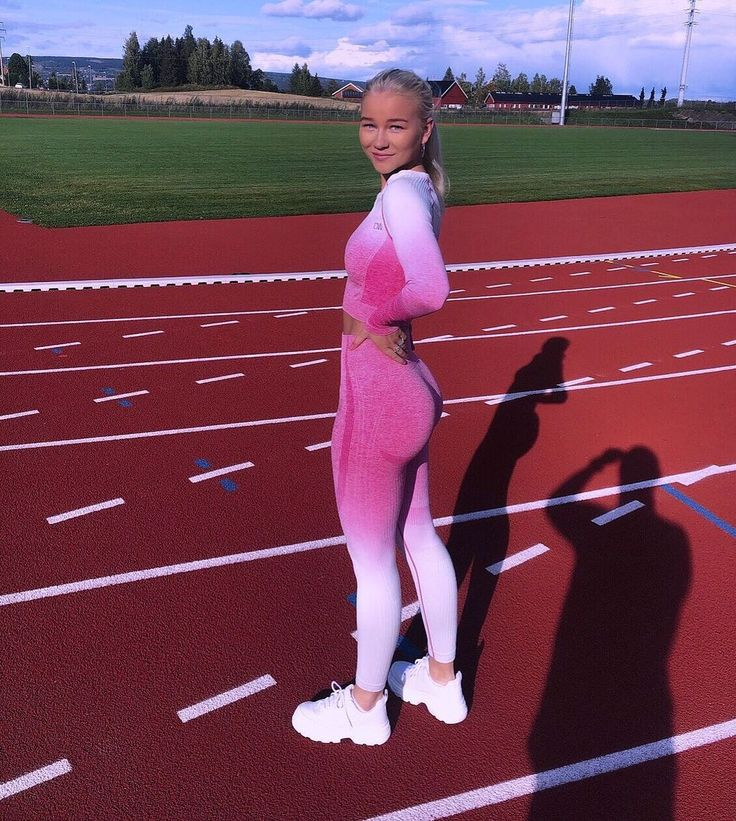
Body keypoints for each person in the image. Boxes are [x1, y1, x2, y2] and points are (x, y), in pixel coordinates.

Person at [291, 68, 467, 746]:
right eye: (369, 123)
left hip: (379, 403)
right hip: (410, 391)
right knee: (418, 536)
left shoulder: (400, 194)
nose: (379, 138)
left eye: (396, 125)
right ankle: (441, 680)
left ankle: (364, 708)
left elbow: (431, 288)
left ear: (425, 129)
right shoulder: (419, 187)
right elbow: (392, 290)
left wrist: (374, 317)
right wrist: (373, 319)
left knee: (373, 562)